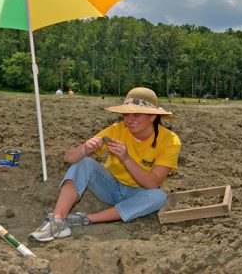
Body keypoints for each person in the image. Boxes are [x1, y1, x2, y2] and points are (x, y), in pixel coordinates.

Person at [29, 87, 181, 242]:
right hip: (110, 187)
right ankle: (57, 221)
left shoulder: (169, 140)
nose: (129, 120)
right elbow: (69, 158)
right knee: (85, 162)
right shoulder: (117, 130)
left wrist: (126, 158)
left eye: (136, 115)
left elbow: (152, 183)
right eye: (126, 114)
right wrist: (85, 149)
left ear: (152, 116)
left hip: (139, 193)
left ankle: (87, 219)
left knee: (159, 196)